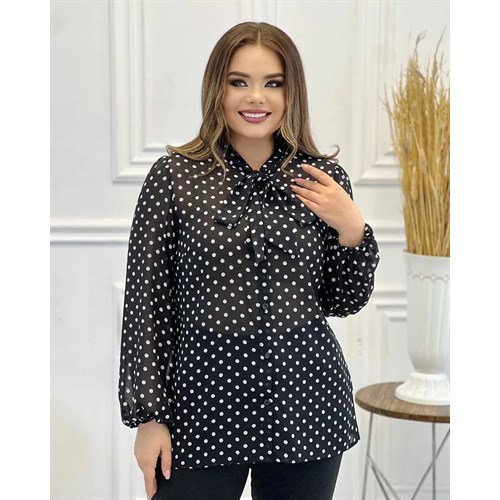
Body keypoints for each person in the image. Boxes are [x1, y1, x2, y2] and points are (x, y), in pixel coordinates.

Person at [118, 21, 380, 500]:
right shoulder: (174, 177)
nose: (256, 97)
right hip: (200, 407)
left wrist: (352, 228)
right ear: (216, 88)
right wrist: (149, 419)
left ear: (291, 92)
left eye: (272, 83)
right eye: (239, 81)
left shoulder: (321, 178)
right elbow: (147, 305)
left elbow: (342, 301)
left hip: (306, 404)